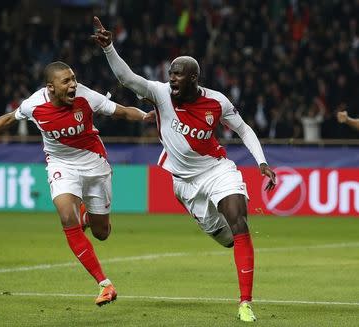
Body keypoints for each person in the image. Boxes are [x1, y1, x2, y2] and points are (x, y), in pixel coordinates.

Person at [92, 17, 277, 322]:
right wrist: (109, 48)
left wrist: (262, 162)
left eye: (178, 74)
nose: (172, 79)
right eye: (171, 74)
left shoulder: (217, 102)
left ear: (193, 78)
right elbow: (128, 79)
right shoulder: (161, 94)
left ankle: (245, 302)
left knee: (238, 219)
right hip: (185, 185)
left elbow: (243, 130)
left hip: (217, 170)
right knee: (227, 239)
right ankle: (225, 237)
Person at [0, 60, 152, 306]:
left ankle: (87, 218)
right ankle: (105, 284)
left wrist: (145, 116)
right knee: (67, 217)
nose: (73, 85)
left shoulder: (85, 96)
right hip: (61, 166)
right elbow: (7, 119)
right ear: (51, 87)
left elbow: (120, 110)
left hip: (95, 164)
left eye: (74, 79)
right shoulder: (35, 104)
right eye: (66, 81)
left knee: (102, 233)